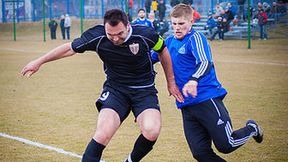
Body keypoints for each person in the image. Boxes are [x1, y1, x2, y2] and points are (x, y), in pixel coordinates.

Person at [21, 9, 183, 162]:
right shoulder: (97, 35)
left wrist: (171, 82)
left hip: (144, 90)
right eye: (110, 34)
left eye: (120, 33)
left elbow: (163, 50)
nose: (115, 39)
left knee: (151, 130)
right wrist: (39, 61)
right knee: (103, 132)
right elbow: (70, 48)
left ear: (128, 26)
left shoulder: (145, 34)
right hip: (116, 90)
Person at [151, 4, 263, 162]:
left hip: (207, 98)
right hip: (186, 105)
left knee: (226, 144)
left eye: (181, 23)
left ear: (191, 22)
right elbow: (149, 58)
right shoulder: (168, 42)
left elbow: (205, 62)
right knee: (200, 153)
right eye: (174, 24)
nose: (177, 28)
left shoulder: (196, 38)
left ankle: (252, 128)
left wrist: (193, 80)